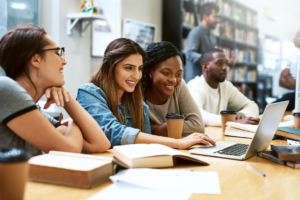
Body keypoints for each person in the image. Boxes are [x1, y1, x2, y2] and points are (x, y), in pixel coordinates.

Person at [77, 38, 216, 149]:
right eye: (129, 68)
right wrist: (178, 143)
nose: (136, 75)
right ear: (110, 66)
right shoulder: (89, 93)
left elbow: (147, 144)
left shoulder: (138, 103)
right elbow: (114, 133)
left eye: (139, 68)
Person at [0, 24, 110, 157]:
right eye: (57, 53)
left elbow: (100, 143)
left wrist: (67, 98)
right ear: (36, 59)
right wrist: (74, 122)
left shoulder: (35, 111)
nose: (64, 62)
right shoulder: (5, 88)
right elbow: (70, 149)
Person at [141, 41, 205, 137]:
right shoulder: (139, 89)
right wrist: (173, 127)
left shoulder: (179, 85)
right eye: (166, 73)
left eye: (178, 74)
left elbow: (198, 126)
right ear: (151, 71)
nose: (173, 80)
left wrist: (156, 128)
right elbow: (134, 130)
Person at [187, 48, 260, 126]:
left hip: (218, 135)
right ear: (205, 67)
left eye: (226, 64)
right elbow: (196, 115)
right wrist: (232, 121)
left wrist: (243, 114)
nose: (225, 67)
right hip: (200, 136)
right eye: (219, 63)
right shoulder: (195, 86)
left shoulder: (226, 86)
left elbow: (252, 105)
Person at [185, 2, 220, 82]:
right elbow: (190, 54)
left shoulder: (213, 37)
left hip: (208, 82)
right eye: (215, 17)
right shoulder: (196, 32)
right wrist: (209, 59)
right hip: (195, 83)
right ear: (205, 17)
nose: (218, 20)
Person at [272, 29, 300, 110]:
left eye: (297, 36)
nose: (294, 38)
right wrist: (294, 84)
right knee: (271, 108)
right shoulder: (292, 57)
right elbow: (281, 82)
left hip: (296, 95)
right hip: (292, 95)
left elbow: (298, 87)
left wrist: (288, 77)